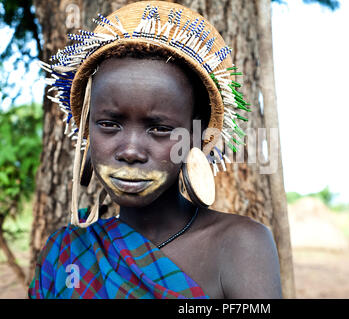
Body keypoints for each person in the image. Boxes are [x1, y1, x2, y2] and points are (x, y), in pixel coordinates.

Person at [29, 1, 282, 299]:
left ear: (196, 137)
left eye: (160, 129)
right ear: (87, 129)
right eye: (109, 124)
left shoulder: (240, 245)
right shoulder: (65, 252)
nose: (131, 151)